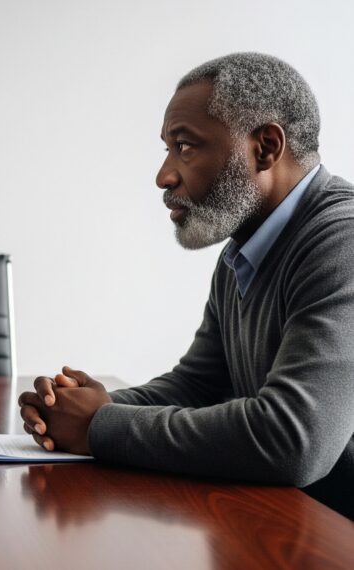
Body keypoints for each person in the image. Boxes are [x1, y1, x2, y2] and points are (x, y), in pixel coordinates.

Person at [19, 53, 354, 519]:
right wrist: (78, 408)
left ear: (266, 147)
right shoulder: (242, 253)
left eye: (186, 146)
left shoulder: (342, 241)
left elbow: (293, 439)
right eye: (167, 149)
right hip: (285, 524)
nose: (165, 175)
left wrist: (99, 425)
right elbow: (199, 385)